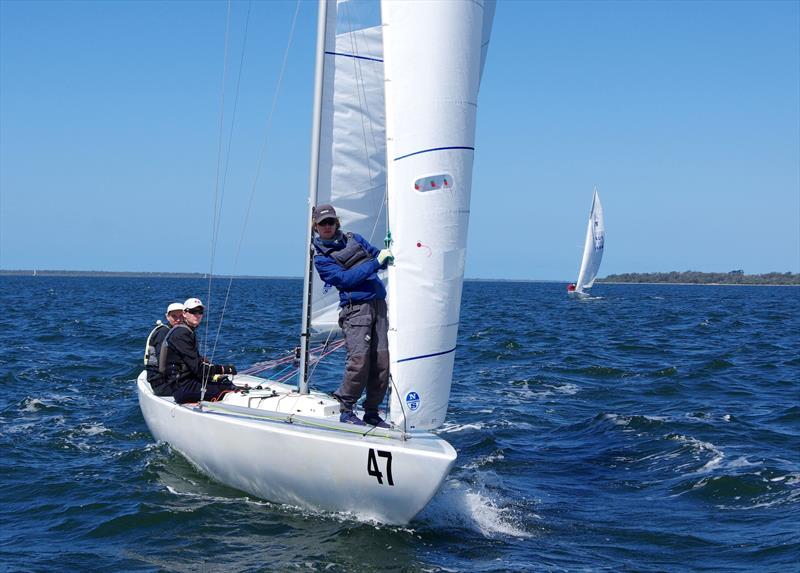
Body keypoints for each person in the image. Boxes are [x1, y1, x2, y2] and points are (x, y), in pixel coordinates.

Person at [311, 203, 394, 427]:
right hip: (355, 310)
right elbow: (346, 279)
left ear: (336, 222)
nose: (327, 227)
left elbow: (379, 256)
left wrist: (388, 256)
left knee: (382, 362)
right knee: (359, 360)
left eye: (330, 222)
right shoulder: (321, 258)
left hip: (378, 304)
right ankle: (345, 407)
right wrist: (375, 264)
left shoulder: (354, 238)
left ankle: (372, 412)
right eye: (322, 224)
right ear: (316, 227)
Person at [161, 297, 239, 404]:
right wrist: (224, 369)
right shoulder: (181, 334)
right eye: (193, 311)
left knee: (224, 382)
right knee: (227, 389)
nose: (197, 315)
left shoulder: (187, 331)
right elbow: (199, 369)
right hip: (182, 388)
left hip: (188, 382)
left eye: (200, 312)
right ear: (184, 313)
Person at [144, 302, 184, 396]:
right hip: (161, 383)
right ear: (167, 317)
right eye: (174, 316)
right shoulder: (163, 333)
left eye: (181, 316)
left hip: (171, 379)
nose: (178, 319)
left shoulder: (178, 331)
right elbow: (164, 363)